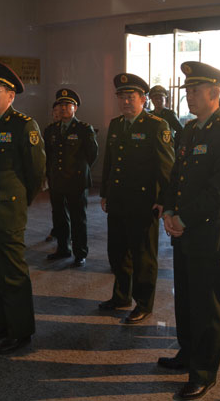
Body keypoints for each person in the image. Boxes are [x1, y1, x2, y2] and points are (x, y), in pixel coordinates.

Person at [160, 62, 220, 400]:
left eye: (194, 91)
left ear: (215, 93)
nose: (189, 96)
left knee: (208, 306)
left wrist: (183, 219)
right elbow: (176, 176)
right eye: (187, 91)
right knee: (185, 299)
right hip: (183, 232)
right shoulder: (190, 130)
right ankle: (187, 353)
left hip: (209, 235)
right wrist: (169, 210)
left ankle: (204, 372)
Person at [0, 62, 46, 355]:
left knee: (13, 274)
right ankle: (0, 324)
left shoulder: (23, 125)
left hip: (8, 213)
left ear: (11, 95)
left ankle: (21, 331)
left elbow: (35, 173)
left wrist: (18, 203)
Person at [99, 73, 174, 324]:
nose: (125, 102)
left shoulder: (156, 125)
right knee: (118, 252)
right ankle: (121, 296)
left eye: (130, 97)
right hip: (118, 200)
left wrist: (164, 200)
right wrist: (105, 193)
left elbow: (166, 167)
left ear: (143, 99)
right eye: (121, 97)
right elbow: (110, 162)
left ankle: (143, 304)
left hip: (143, 202)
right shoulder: (116, 124)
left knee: (143, 256)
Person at [44, 88, 98, 267]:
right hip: (57, 181)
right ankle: (62, 249)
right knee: (59, 217)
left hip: (76, 181)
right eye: (60, 105)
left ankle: (80, 252)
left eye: (67, 105)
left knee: (78, 219)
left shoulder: (84, 129)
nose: (63, 108)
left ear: (75, 108)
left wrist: (80, 170)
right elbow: (48, 155)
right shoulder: (51, 130)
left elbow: (92, 154)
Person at [45, 101, 62, 242]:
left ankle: (68, 233)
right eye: (55, 111)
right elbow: (45, 153)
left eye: (59, 110)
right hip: (53, 174)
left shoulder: (75, 129)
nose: (57, 113)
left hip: (70, 176)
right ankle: (56, 230)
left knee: (69, 208)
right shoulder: (49, 130)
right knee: (56, 206)